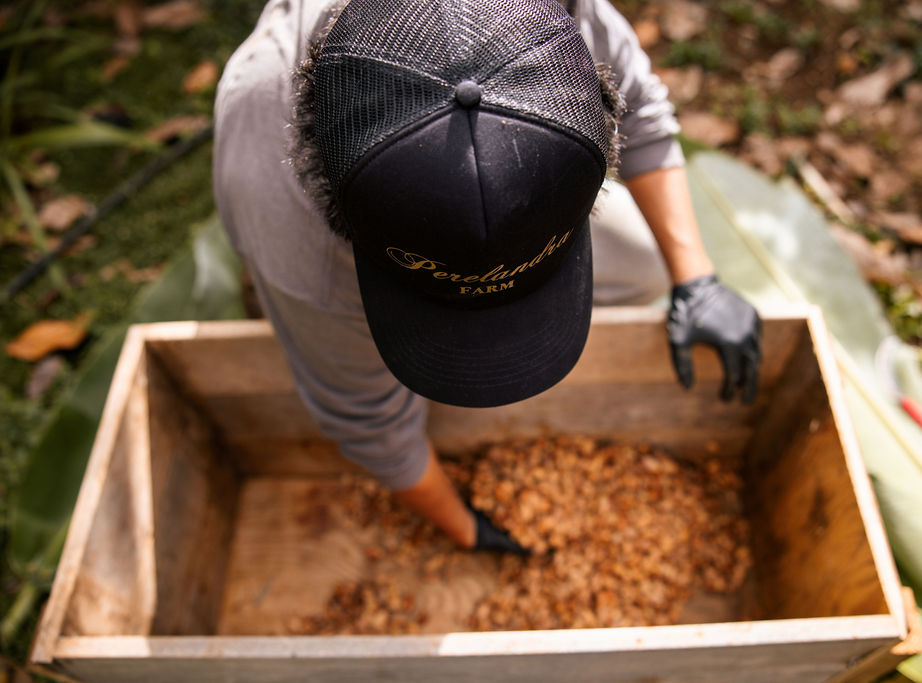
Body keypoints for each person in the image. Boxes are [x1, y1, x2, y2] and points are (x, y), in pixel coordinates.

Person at [213, 0, 761, 554]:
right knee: (315, 327)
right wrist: (462, 524)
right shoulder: (298, 244)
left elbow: (640, 108)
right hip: (296, 225)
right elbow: (365, 421)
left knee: (647, 262)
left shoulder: (559, 18)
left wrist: (696, 279)